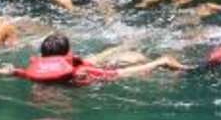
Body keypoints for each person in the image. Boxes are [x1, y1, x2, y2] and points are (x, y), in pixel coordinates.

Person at [10, 33, 187, 85]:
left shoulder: (36, 71)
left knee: (96, 58)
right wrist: (157, 63)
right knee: (135, 57)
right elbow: (119, 74)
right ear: (67, 53)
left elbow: (14, 72)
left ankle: (123, 45)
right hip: (90, 72)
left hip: (78, 69)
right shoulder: (80, 73)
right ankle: (127, 46)